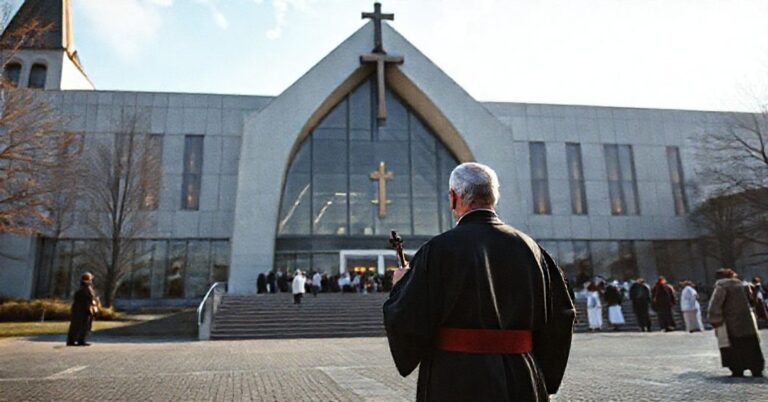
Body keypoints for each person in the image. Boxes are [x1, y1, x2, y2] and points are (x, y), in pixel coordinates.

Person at [383, 162, 575, 401]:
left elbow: (409, 319)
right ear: (495, 196)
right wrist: (542, 374)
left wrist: (401, 285)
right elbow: (561, 314)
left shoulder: (438, 250)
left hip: (456, 377)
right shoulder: (532, 249)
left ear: (454, 198)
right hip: (522, 375)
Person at [708, 269, 765, 378]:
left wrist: (715, 320)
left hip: (731, 322)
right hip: (747, 320)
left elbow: (715, 305)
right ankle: (756, 369)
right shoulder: (744, 285)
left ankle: (737, 369)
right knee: (751, 344)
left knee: (734, 346)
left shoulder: (722, 287)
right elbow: (753, 301)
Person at [66, 273, 99, 346]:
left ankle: (80, 340)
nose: (91, 281)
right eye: (90, 279)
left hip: (84, 309)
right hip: (82, 309)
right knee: (78, 325)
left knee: (84, 325)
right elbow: (86, 298)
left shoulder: (86, 288)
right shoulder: (84, 288)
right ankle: (74, 340)